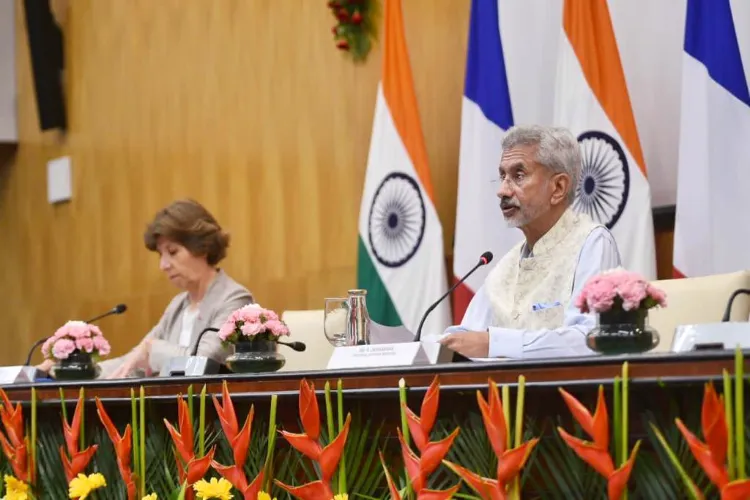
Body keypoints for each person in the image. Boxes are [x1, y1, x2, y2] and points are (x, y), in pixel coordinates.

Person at [440, 125, 621, 359]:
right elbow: (466, 335)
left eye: (518, 175)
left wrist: (495, 344)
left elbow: (591, 338)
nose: (502, 190)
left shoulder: (592, 242)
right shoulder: (508, 263)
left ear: (558, 187)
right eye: (502, 175)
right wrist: (421, 347)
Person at [38, 199, 253, 378]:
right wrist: (72, 371)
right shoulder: (179, 304)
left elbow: (205, 363)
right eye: (161, 255)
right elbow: (133, 362)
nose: (163, 265)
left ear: (202, 248)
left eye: (173, 252)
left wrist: (153, 349)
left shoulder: (234, 299)